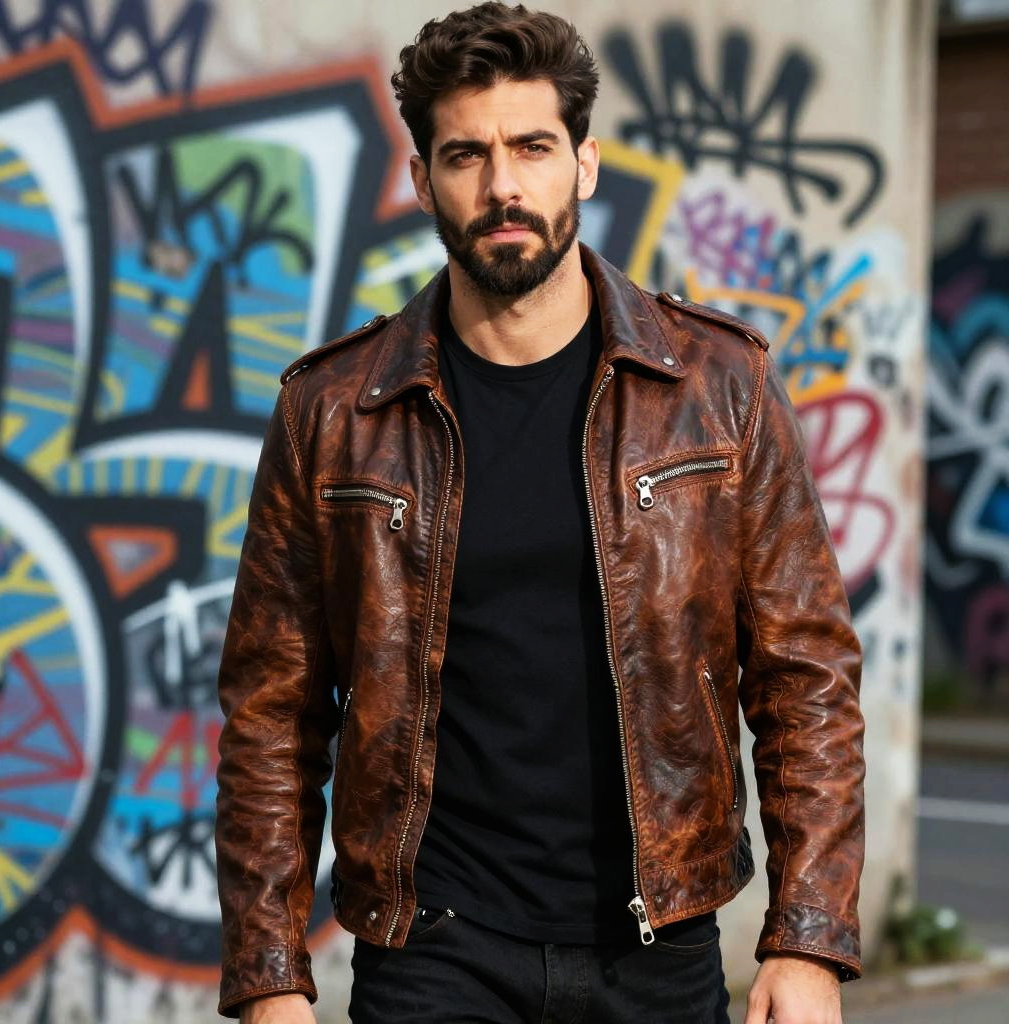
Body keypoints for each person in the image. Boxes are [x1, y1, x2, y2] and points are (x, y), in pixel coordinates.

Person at [214, 4, 865, 1023]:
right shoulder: (335, 411)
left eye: (532, 147)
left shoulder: (716, 386)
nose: (503, 185)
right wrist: (268, 975)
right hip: (434, 953)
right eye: (466, 155)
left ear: (585, 164)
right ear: (423, 181)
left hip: (656, 950)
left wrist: (807, 937)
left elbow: (804, 674)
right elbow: (271, 711)